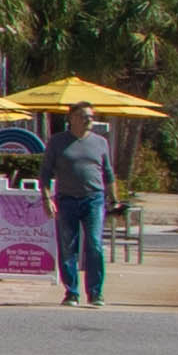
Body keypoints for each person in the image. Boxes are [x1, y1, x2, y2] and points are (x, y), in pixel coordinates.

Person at [48, 105, 117, 307]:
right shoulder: (58, 142)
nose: (88, 120)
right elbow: (45, 172)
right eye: (83, 116)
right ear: (71, 118)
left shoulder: (100, 142)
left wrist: (114, 199)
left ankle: (96, 293)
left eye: (91, 117)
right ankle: (72, 292)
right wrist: (46, 198)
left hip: (94, 198)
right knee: (68, 246)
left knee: (94, 244)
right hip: (66, 199)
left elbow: (108, 173)